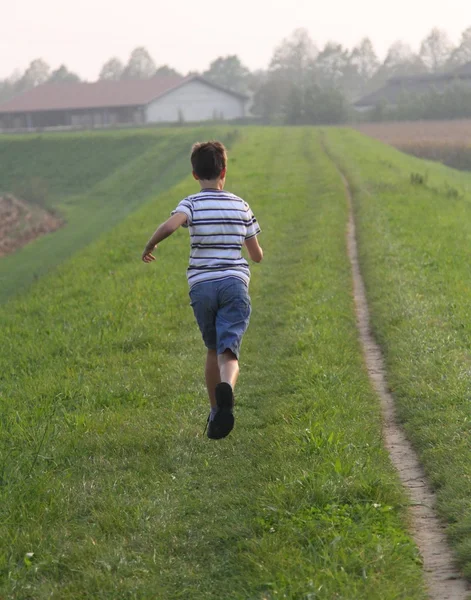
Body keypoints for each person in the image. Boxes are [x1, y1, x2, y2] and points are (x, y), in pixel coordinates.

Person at [142, 141, 263, 440]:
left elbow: (171, 226)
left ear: (195, 175)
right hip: (234, 283)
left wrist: (151, 244)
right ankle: (228, 390)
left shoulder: (191, 204)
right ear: (224, 170)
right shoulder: (241, 204)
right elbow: (256, 254)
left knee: (211, 347)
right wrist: (253, 252)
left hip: (202, 286)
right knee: (228, 350)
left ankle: (214, 412)